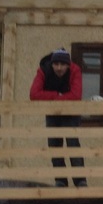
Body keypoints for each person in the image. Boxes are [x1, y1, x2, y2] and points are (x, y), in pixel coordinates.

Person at [29, 47, 87, 187]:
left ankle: (80, 181)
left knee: (73, 143)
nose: (59, 68)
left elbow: (76, 96)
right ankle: (60, 181)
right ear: (52, 64)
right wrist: (57, 95)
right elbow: (34, 94)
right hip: (52, 112)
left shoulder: (75, 70)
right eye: (56, 64)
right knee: (54, 144)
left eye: (63, 64)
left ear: (68, 65)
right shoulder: (43, 71)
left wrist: (52, 98)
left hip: (71, 112)